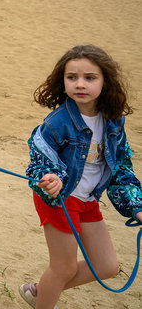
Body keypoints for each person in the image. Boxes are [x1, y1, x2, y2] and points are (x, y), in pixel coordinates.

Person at [21, 44, 142, 309]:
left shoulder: (113, 121)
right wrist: (51, 178)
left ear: (105, 81)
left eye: (90, 78)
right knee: (62, 268)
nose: (80, 84)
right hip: (58, 198)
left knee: (107, 266)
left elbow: (122, 168)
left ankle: (40, 291)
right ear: (62, 81)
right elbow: (39, 160)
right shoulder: (57, 122)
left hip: (88, 199)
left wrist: (136, 207)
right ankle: (45, 297)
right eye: (72, 77)